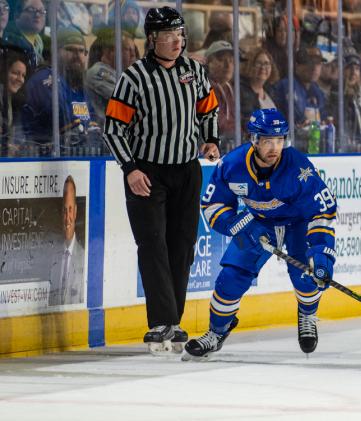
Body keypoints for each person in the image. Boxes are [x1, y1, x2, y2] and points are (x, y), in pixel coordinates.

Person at [102, 7, 221, 354]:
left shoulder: (194, 71)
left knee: (182, 247)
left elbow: (208, 108)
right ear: (152, 38)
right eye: (168, 34)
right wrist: (130, 169)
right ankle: (161, 322)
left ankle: (174, 321)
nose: (175, 40)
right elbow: (113, 128)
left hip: (187, 170)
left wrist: (210, 138)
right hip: (147, 173)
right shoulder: (134, 77)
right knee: (153, 244)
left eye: (179, 34)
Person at [183, 108, 337, 361]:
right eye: (267, 141)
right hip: (257, 223)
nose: (274, 147)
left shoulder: (299, 167)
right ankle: (216, 332)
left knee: (307, 276)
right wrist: (238, 225)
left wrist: (322, 254)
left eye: (279, 140)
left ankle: (307, 314)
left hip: (297, 223)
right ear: (254, 140)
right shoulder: (232, 165)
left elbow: (322, 210)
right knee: (230, 278)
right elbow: (212, 206)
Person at [21, 27, 99, 153]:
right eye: (70, 49)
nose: (77, 55)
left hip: (75, 157)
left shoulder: (79, 87)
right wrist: (86, 131)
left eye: (81, 51)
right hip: (41, 160)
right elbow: (62, 120)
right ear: (55, 52)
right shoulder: (46, 79)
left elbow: (93, 123)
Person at [85, 29, 136, 127]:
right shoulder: (98, 73)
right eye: (127, 49)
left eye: (133, 50)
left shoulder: (120, 75)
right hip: (101, 135)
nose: (133, 55)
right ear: (110, 51)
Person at [48, 175, 85, 306]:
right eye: (64, 210)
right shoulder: (52, 256)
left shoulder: (84, 258)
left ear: (75, 211)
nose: (67, 217)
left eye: (70, 210)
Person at [239, 47, 278, 135]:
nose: (263, 67)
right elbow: (248, 124)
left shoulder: (270, 91)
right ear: (249, 65)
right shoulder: (243, 91)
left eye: (267, 64)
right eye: (258, 63)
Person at [205, 40, 235, 148]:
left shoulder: (231, 88)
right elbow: (217, 123)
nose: (228, 65)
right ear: (208, 62)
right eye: (221, 59)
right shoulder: (205, 88)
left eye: (231, 60)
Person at [4, 0, 49, 70]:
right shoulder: (9, 41)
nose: (37, 15)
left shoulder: (39, 41)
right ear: (17, 15)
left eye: (42, 11)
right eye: (31, 10)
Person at [0, 49, 27, 156]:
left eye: (23, 75)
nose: (20, 79)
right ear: (3, 72)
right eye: (15, 73)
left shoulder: (11, 99)